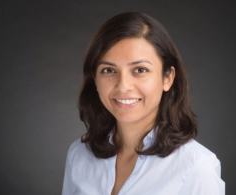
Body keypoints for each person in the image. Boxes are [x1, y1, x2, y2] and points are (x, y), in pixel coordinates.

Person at [62, 12, 225, 195]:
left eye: (140, 69)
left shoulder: (196, 167)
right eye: (108, 70)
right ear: (95, 80)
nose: (123, 86)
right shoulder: (79, 154)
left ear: (167, 78)